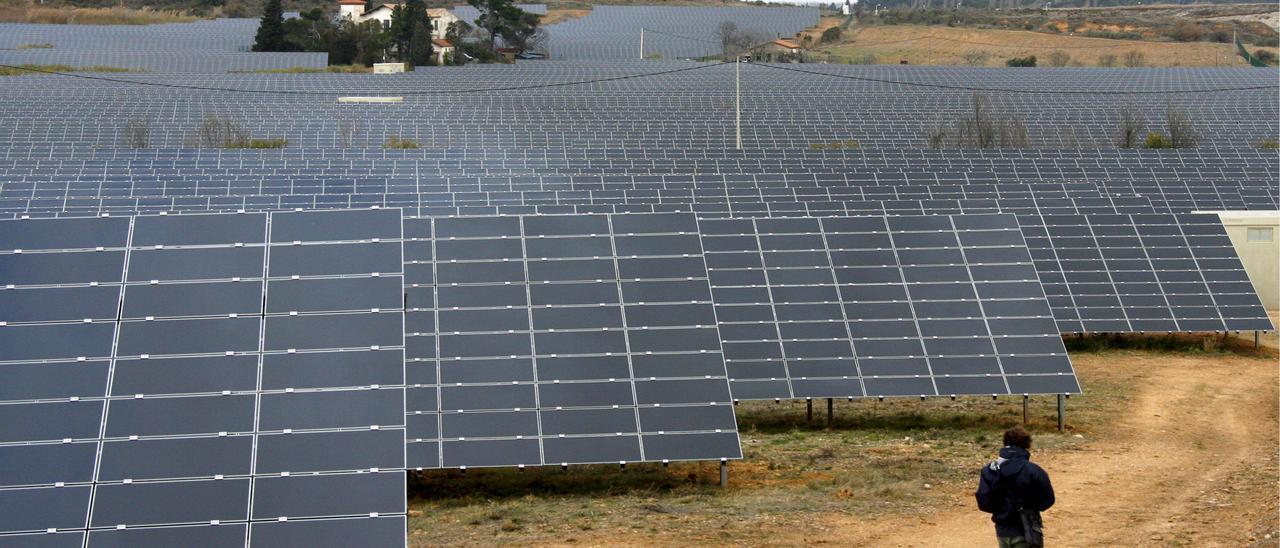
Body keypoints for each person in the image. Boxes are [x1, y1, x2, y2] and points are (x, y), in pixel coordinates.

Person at [975, 426, 1055, 548]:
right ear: (1027, 446)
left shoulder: (989, 470)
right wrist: (1029, 507)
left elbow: (984, 501)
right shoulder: (1034, 470)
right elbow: (1048, 500)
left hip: (1002, 530)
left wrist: (1002, 509)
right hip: (1027, 530)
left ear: (1005, 443)